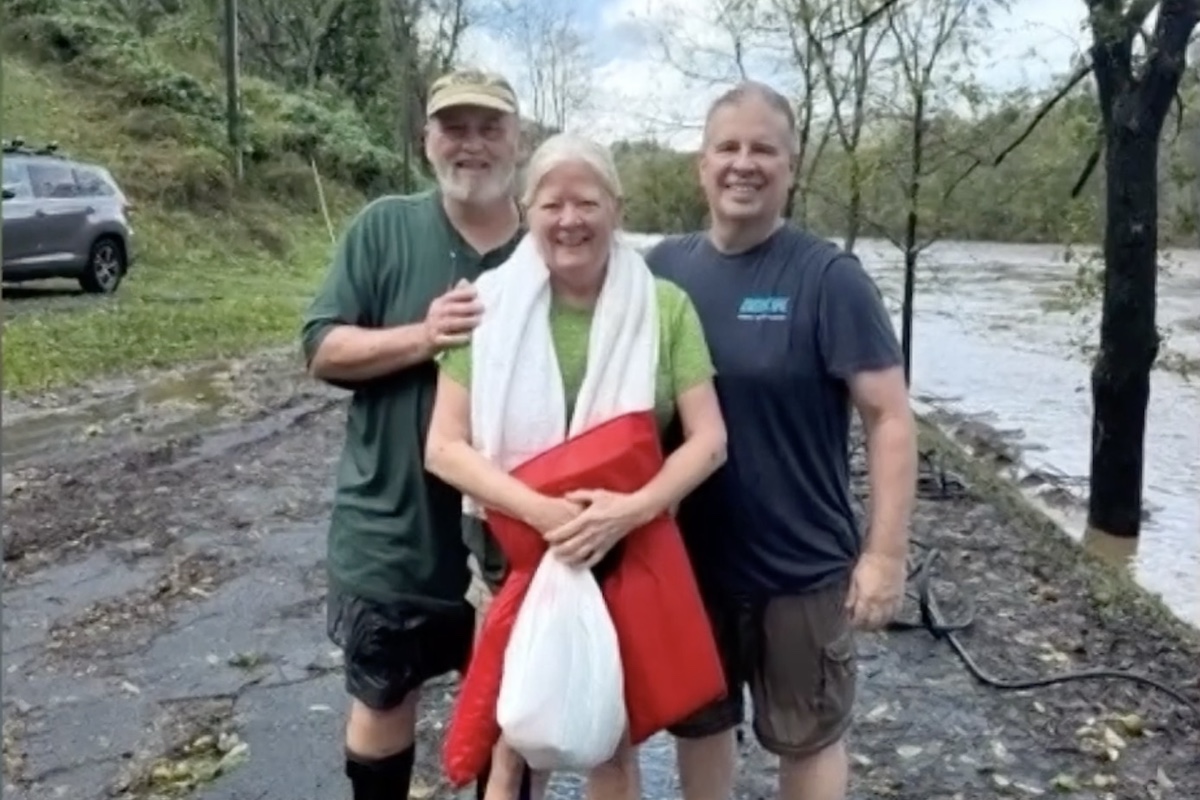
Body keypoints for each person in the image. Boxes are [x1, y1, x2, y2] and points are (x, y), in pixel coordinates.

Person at [425, 132, 728, 800]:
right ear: (527, 209)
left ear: (616, 207)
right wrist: (540, 512)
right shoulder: (487, 304)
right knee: (509, 742)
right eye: (551, 204)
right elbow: (443, 447)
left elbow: (709, 441)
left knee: (608, 741)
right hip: (514, 554)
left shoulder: (664, 307)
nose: (569, 220)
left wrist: (628, 511)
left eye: (586, 202)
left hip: (620, 554)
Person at [647, 81, 918, 800]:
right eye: (727, 148)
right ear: (701, 166)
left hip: (800, 572)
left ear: (791, 167)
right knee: (699, 725)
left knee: (809, 738)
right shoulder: (662, 271)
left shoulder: (829, 278)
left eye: (763, 149)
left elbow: (889, 417)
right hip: (690, 564)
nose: (744, 163)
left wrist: (885, 555)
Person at [300, 67, 525, 800]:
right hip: (390, 530)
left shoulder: (549, 245)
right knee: (384, 697)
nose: (472, 145)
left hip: (517, 536)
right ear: (426, 140)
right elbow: (322, 348)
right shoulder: (383, 227)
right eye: (454, 128)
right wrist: (423, 336)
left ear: (516, 141)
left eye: (489, 128)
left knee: (515, 716)